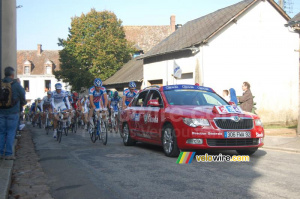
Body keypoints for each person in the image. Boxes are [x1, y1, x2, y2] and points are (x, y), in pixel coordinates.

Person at [0, 66, 26, 160]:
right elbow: (23, 95)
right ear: (12, 75)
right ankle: (8, 154)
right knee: (11, 132)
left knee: (1, 132)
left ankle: (0, 152)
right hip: (13, 112)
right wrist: (22, 104)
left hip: (1, 111)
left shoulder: (1, 83)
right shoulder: (15, 85)